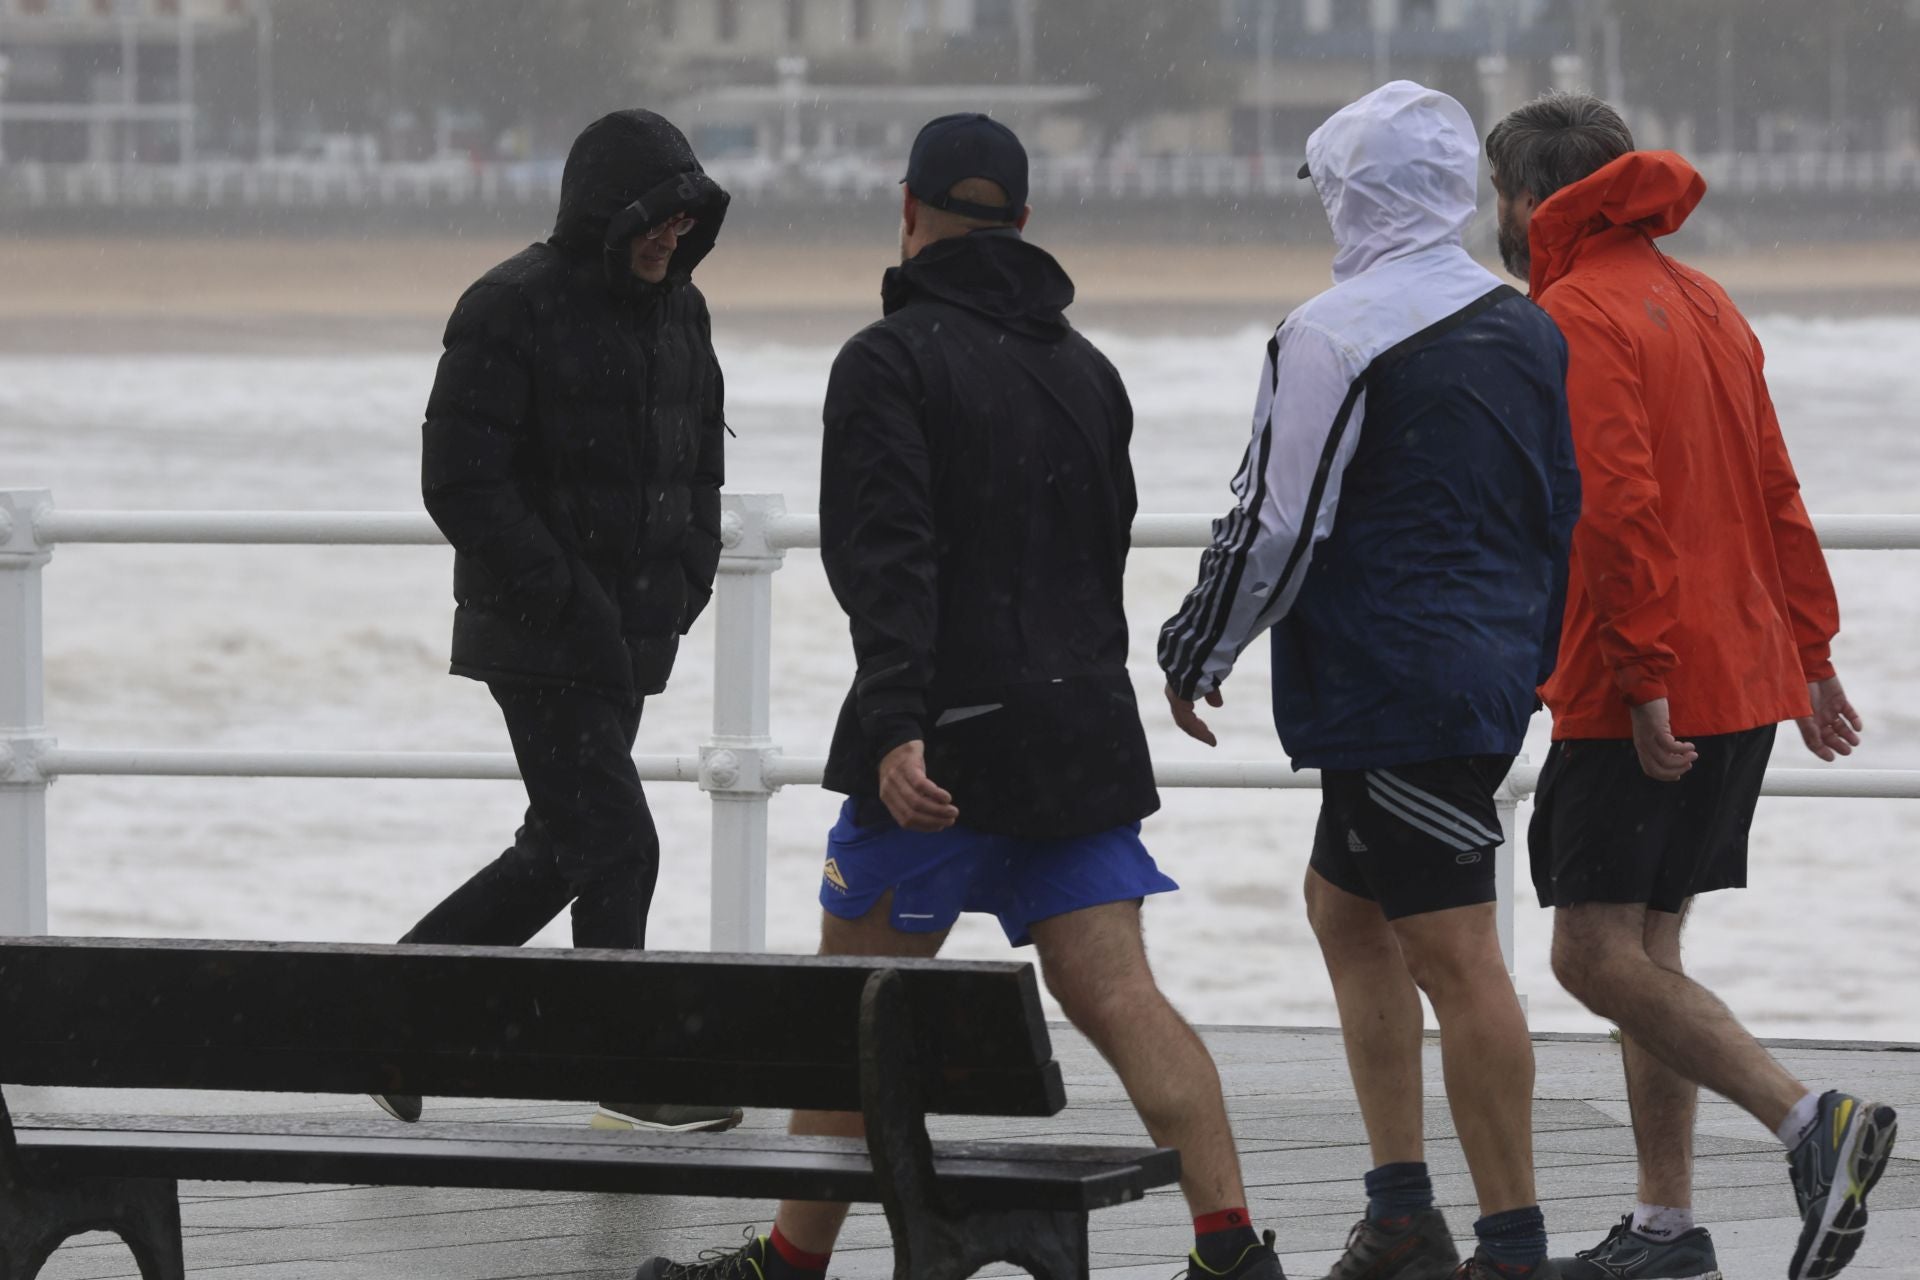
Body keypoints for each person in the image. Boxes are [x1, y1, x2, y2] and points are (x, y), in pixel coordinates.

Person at [635, 113, 1281, 1280]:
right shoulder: (1090, 371)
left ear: (908, 207)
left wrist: (894, 724)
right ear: (1025, 224)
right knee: (1125, 996)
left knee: (861, 1014)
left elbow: (887, 561)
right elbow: (1101, 552)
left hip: (943, 743)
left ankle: (790, 1263)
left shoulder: (889, 359)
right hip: (1077, 737)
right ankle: (1230, 1248)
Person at [1161, 81, 1581, 1280]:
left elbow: (1275, 519)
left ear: (1350, 192)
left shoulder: (1330, 332)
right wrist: (1535, 653)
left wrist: (1199, 645)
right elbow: (1559, 506)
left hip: (1390, 677)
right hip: (1483, 665)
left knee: (1454, 946)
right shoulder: (1525, 325)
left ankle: (1511, 1239)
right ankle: (1404, 1209)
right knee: (1345, 907)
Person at [1486, 93, 1897, 1280]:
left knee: (1587, 952)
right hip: (1745, 669)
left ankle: (1808, 1116)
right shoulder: (1706, 301)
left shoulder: (1573, 312)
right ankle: (1666, 1226)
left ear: (1528, 199)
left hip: (1642, 678)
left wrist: (1645, 674)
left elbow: (1616, 506)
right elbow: (1778, 486)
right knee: (1651, 948)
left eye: (1498, 194)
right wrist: (1810, 654)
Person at [373, 109, 738, 1134]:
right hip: (539, 636)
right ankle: (615, 1057)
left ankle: (393, 1014)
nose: (672, 235)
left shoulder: (684, 310)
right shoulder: (508, 306)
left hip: (632, 636)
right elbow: (460, 479)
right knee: (619, 845)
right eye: (656, 218)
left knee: (562, 846)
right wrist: (569, 597)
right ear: (605, 211)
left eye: (686, 219)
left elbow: (700, 459)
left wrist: (689, 573)